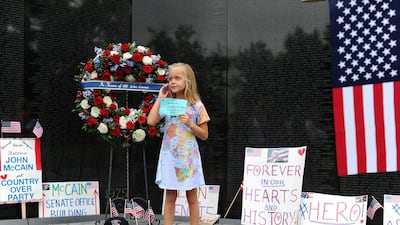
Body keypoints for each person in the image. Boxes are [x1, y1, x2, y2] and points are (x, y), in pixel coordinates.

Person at [147, 62, 210, 225]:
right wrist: (160, 98)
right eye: (170, 79)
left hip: (188, 156)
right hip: (170, 156)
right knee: (170, 196)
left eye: (177, 78)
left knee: (192, 197)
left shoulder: (197, 105)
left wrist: (190, 124)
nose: (172, 82)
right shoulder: (168, 103)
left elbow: (204, 135)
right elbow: (151, 121)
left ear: (188, 81)